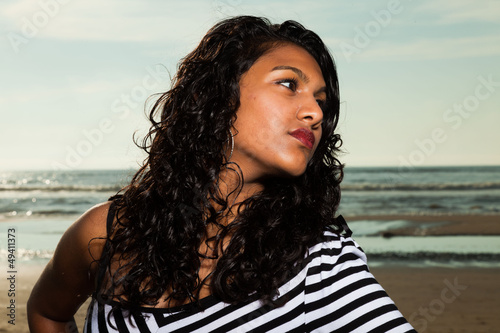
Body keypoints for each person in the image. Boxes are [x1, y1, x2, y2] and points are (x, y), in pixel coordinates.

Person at [27, 16, 416, 332]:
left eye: (320, 100)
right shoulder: (106, 232)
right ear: (217, 96)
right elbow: (48, 313)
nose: (314, 112)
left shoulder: (321, 260)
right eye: (288, 84)